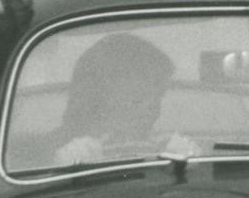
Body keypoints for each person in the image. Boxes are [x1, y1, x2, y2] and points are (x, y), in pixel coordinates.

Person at [53, 33, 196, 166]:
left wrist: (188, 165)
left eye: (158, 97)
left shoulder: (162, 148)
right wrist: (61, 168)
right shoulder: (44, 152)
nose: (153, 110)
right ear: (97, 95)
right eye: (138, 98)